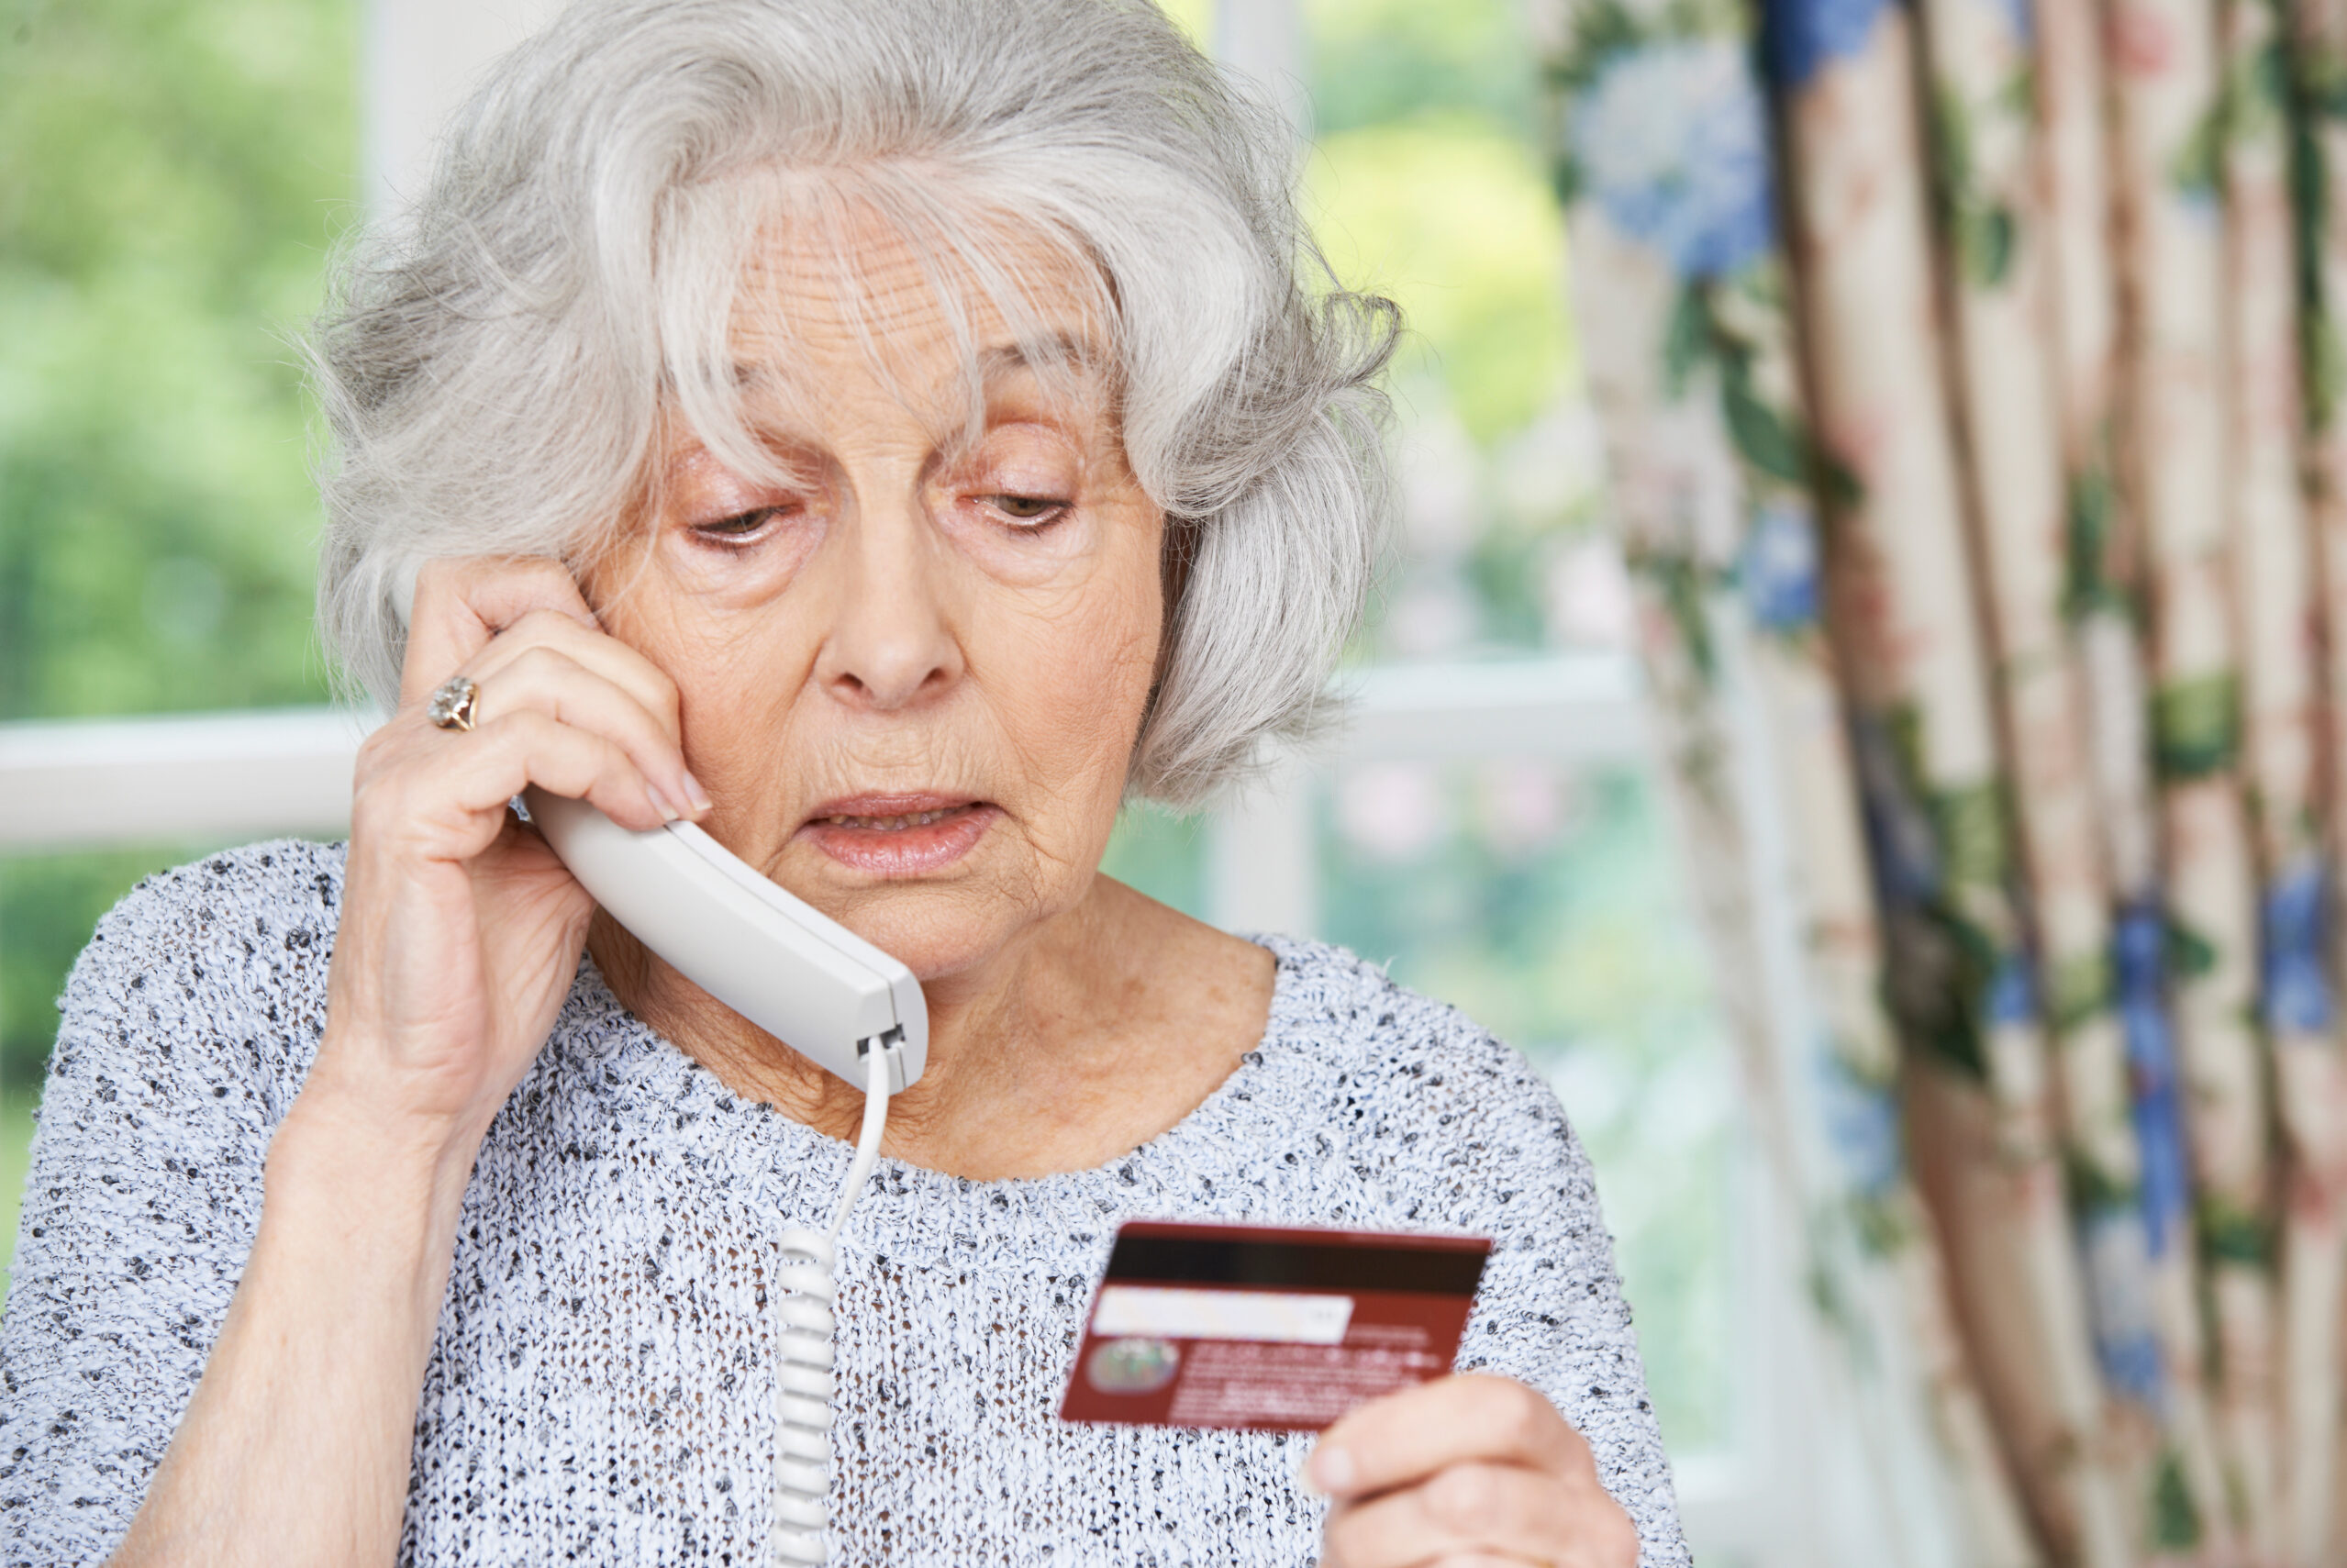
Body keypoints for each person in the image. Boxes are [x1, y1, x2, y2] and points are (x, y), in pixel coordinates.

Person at [0, 2, 1687, 1562]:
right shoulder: (240, 1017)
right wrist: (391, 1120)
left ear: (1186, 548)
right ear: (536, 579)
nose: (893, 645)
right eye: (739, 515)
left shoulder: (1416, 1141)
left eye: (1021, 499)